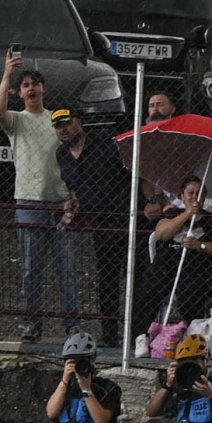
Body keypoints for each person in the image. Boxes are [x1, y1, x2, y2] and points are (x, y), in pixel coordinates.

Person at [0, 52, 79, 342]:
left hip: (59, 202)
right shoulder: (17, 120)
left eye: (35, 84)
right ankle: (32, 324)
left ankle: (72, 325)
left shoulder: (56, 121)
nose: (31, 88)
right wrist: (7, 74)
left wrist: (72, 194)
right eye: (26, 85)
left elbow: (73, 152)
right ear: (20, 92)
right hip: (29, 202)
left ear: (44, 89)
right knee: (31, 269)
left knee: (66, 268)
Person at [54, 106, 128, 323]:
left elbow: (131, 169)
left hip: (125, 215)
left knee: (136, 273)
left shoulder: (106, 142)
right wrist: (73, 201)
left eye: (67, 123)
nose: (63, 129)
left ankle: (138, 328)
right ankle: (109, 330)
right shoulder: (62, 154)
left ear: (79, 122)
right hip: (99, 222)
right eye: (58, 126)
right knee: (107, 275)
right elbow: (73, 185)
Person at [152, 174, 212, 323]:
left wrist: (201, 245)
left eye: (199, 193)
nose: (195, 197)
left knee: (191, 290)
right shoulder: (172, 214)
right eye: (190, 193)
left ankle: (191, 329)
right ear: (182, 196)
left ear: (204, 197)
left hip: (198, 267)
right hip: (167, 264)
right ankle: (143, 331)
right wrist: (187, 213)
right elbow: (161, 234)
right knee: (149, 287)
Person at [144, 335, 212, 423]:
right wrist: (168, 385)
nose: (189, 366)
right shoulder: (179, 386)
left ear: (206, 361)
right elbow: (151, 412)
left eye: (194, 360)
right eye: (184, 361)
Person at [46, 330, 120, 423]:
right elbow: (51, 413)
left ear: (92, 361)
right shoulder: (64, 387)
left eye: (82, 361)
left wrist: (86, 389)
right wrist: (64, 380)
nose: (77, 366)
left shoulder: (108, 388)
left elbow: (101, 421)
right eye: (73, 361)